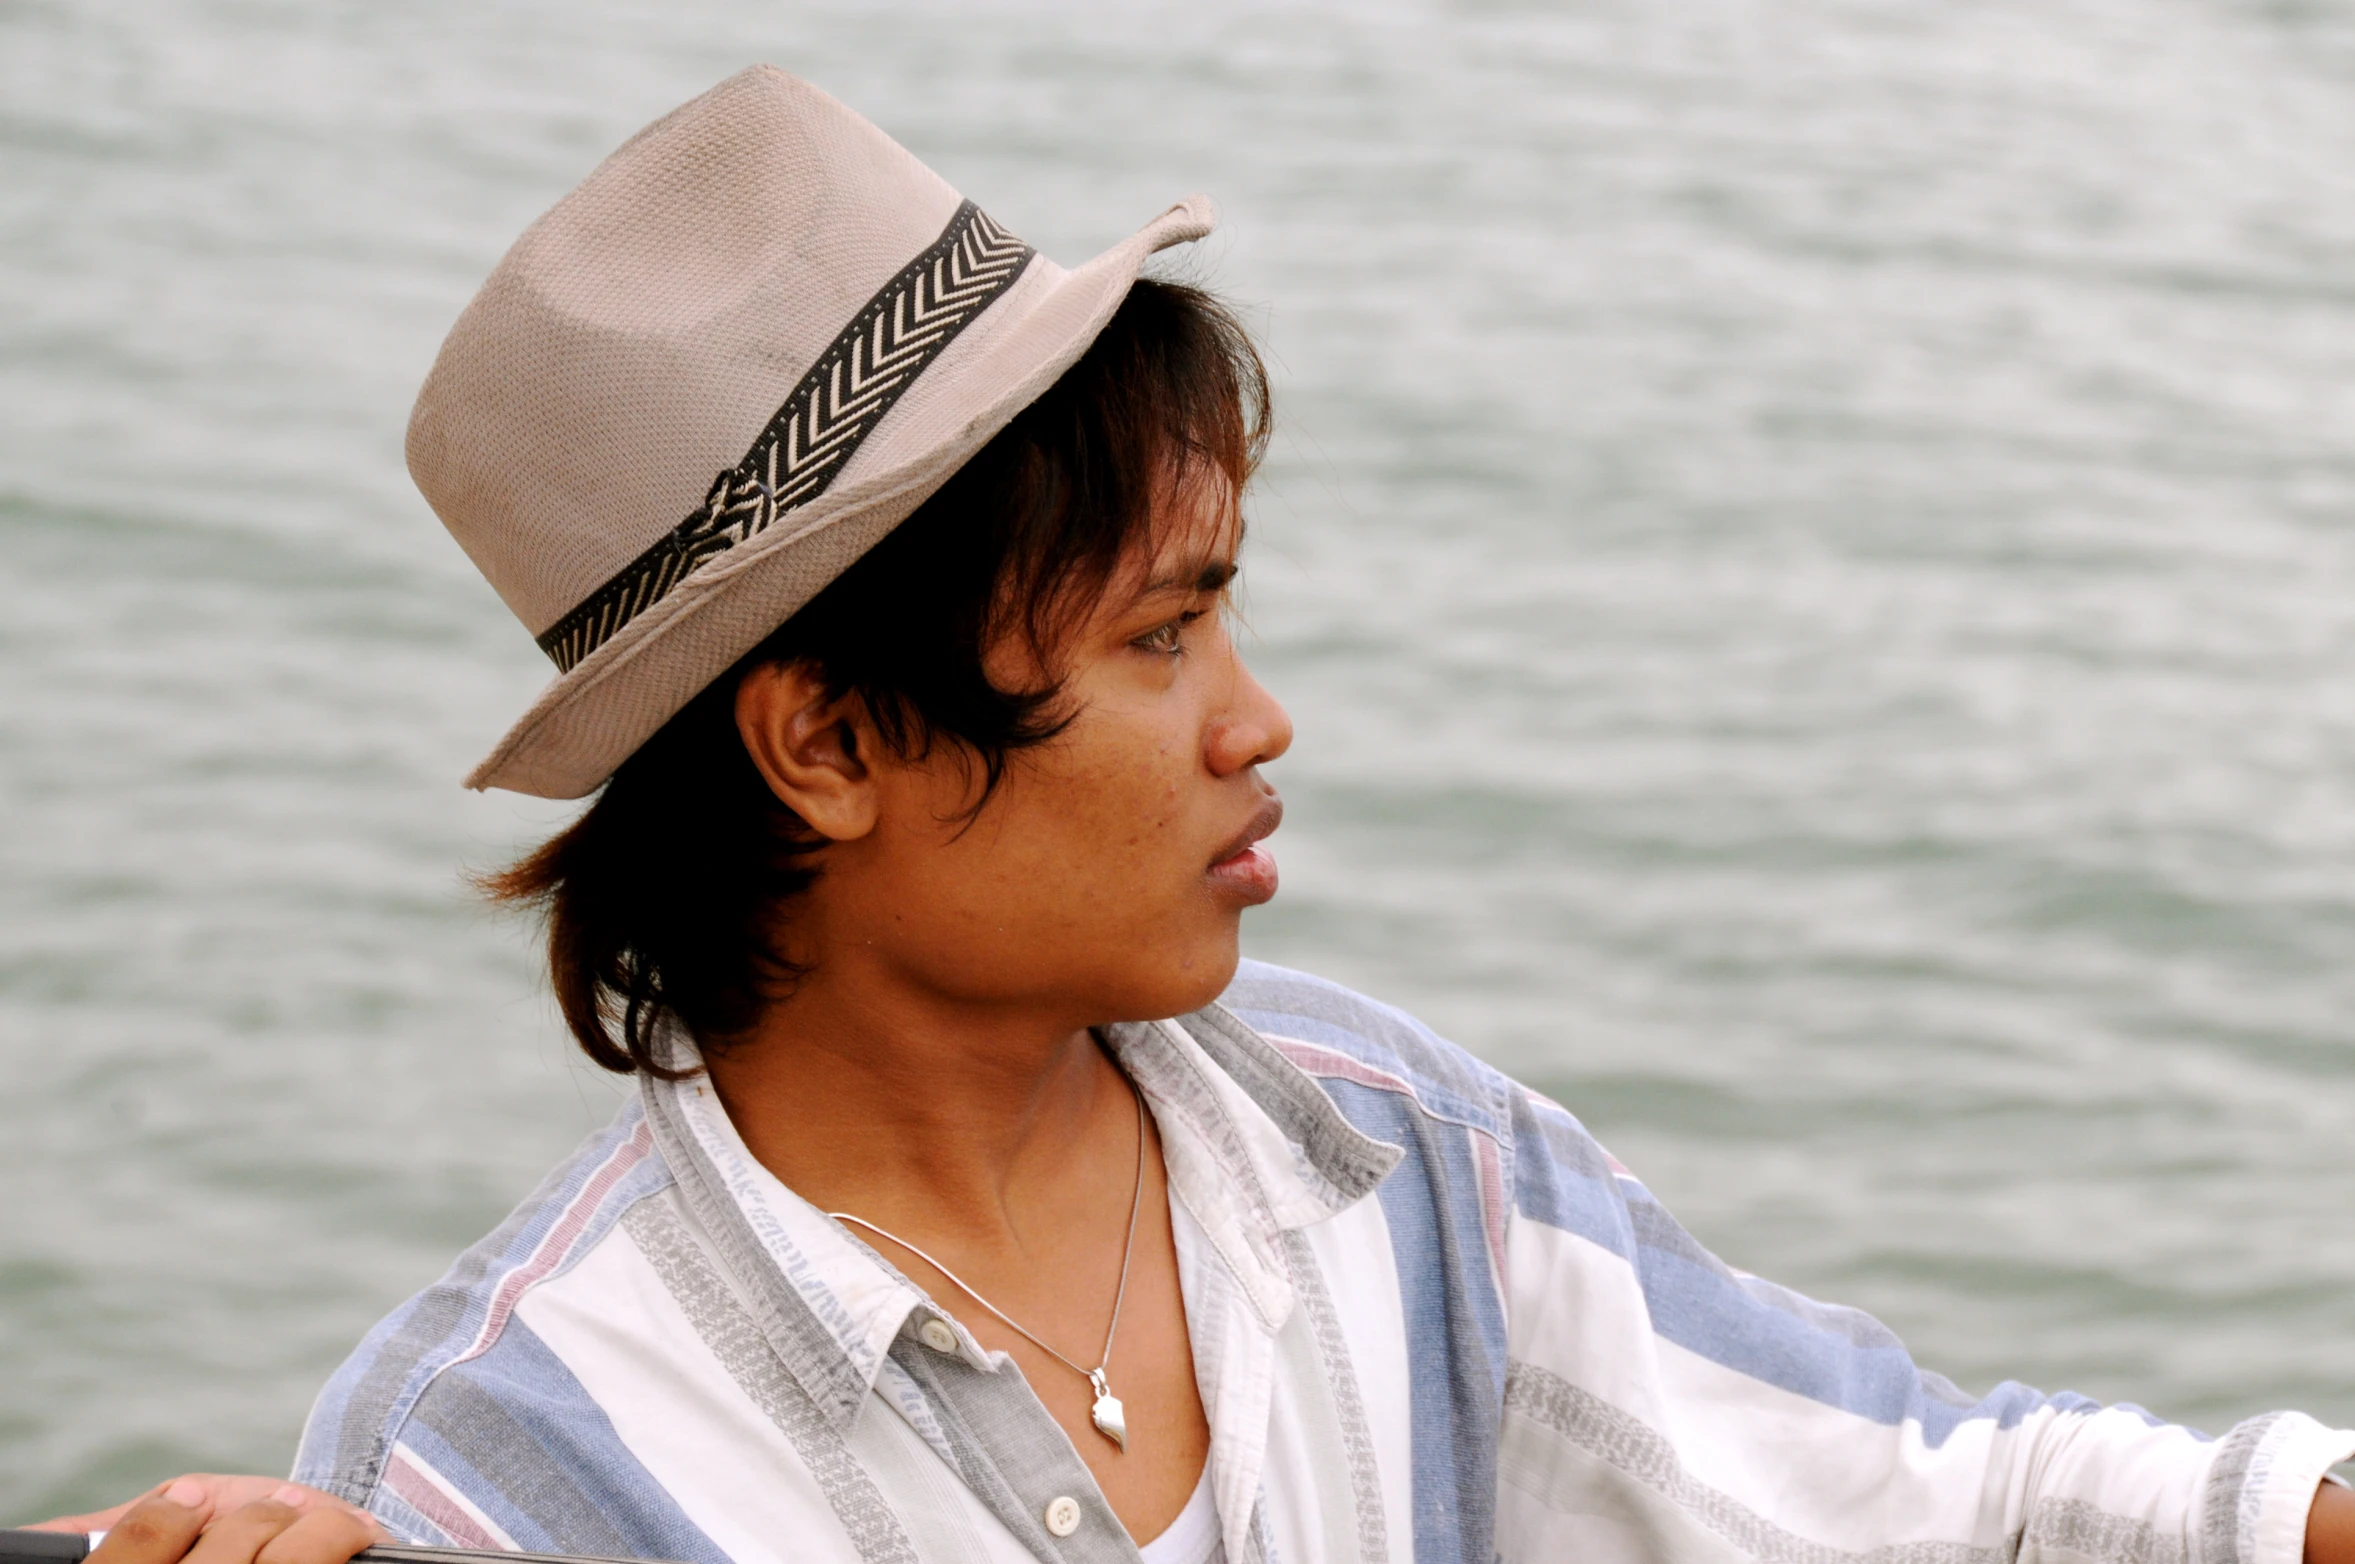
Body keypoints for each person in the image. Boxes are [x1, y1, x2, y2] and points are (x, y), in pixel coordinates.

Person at [30, 62, 2355, 1564]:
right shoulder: (493, 1461)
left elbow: (1962, 1502)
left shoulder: (1375, 1146)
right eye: (1161, 636)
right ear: (823, 739)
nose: (1257, 720)